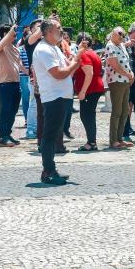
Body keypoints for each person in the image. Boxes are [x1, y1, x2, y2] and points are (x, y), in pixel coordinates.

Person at [33, 19, 88, 185]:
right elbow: (59, 73)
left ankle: (51, 169)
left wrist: (76, 57)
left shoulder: (54, 48)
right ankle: (48, 171)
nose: (62, 31)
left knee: (54, 133)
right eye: (58, 28)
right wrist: (76, 61)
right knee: (50, 135)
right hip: (53, 97)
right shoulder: (43, 49)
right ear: (49, 31)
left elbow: (67, 67)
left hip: (61, 97)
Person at [0, 24, 25, 147]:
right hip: (5, 83)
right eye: (12, 33)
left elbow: (20, 65)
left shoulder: (16, 49)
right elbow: (1, 45)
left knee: (13, 111)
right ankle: (2, 136)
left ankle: (8, 133)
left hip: (16, 83)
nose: (15, 35)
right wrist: (11, 30)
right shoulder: (0, 46)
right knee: (6, 110)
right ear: (4, 34)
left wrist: (30, 73)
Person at [104, 27, 134, 150]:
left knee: (125, 110)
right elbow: (115, 64)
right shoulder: (110, 45)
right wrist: (128, 74)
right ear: (113, 33)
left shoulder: (121, 45)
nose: (122, 36)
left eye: (123, 34)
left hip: (125, 81)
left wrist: (130, 74)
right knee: (117, 111)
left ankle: (120, 138)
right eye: (119, 34)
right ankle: (113, 140)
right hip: (116, 81)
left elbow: (126, 62)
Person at [74, 32, 104, 152]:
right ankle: (91, 141)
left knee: (86, 115)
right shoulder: (93, 53)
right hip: (95, 87)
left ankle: (91, 142)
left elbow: (89, 73)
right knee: (89, 115)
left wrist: (82, 91)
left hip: (90, 89)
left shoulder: (85, 54)